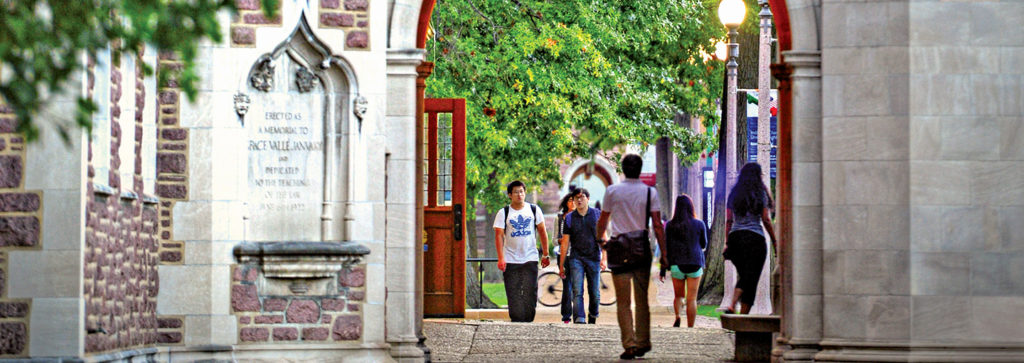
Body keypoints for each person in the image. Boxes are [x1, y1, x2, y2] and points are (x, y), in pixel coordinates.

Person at [596, 154, 667, 360]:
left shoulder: (612, 191)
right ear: (640, 169)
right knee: (642, 299)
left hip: (618, 248)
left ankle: (629, 344)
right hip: (640, 248)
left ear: (624, 169)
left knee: (624, 302)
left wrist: (600, 241)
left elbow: (603, 220)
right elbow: (657, 225)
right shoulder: (649, 192)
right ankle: (643, 341)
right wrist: (664, 253)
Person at [722, 163, 777, 314]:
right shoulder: (761, 194)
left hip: (736, 239)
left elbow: (728, 220)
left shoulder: (733, 194)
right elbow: (765, 219)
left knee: (746, 276)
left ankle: (737, 310)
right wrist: (774, 241)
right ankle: (735, 307)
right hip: (755, 239)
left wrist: (727, 242)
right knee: (751, 278)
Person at [493, 180, 550, 322]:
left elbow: (542, 231)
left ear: (525, 193)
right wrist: (501, 258)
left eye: (522, 192)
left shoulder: (534, 210)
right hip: (511, 258)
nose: (519, 195)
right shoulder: (503, 212)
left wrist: (546, 254)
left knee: (530, 291)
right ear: (510, 195)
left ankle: (528, 318)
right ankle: (517, 319)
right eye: (516, 192)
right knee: (513, 291)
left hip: (530, 257)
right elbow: (499, 236)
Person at [559, 188, 607, 324]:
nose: (579, 200)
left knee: (595, 293)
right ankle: (579, 318)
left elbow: (604, 237)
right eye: (576, 198)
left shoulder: (597, 215)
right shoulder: (569, 218)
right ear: (573, 201)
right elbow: (565, 243)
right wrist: (562, 265)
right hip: (576, 258)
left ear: (588, 199)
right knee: (577, 290)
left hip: (593, 257)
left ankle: (593, 314)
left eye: (582, 197)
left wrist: (604, 258)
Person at [661, 194, 707, 328]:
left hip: (676, 264)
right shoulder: (699, 224)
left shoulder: (670, 225)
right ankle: (691, 326)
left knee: (679, 296)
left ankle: (677, 316)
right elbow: (704, 244)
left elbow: (666, 248)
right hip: (695, 263)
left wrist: (663, 269)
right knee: (692, 298)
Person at [555, 190, 577, 323]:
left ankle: (578, 315)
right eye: (570, 200)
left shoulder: (580, 217)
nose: (573, 203)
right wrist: (560, 240)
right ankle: (566, 315)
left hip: (577, 256)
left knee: (576, 287)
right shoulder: (560, 218)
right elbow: (554, 239)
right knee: (567, 286)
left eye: (574, 200)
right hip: (563, 256)